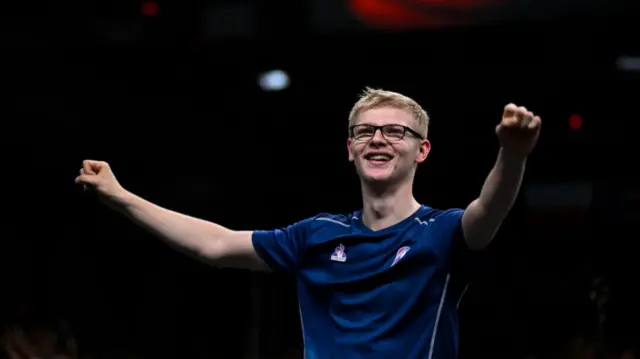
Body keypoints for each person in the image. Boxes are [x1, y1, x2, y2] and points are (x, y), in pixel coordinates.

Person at [75, 88, 541, 359]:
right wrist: (120, 197)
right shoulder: (315, 235)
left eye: (396, 131)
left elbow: (488, 210)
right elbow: (214, 245)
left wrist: (513, 154)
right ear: (350, 149)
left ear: (421, 150)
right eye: (365, 131)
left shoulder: (442, 232)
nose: (378, 139)